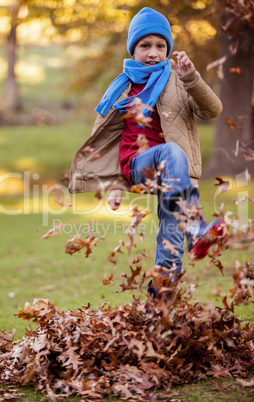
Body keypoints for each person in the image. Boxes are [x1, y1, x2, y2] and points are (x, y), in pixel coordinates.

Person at [69, 7, 224, 296]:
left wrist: (192, 79)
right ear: (134, 49)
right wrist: (115, 183)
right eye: (145, 45)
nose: (153, 52)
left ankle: (159, 308)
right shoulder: (122, 86)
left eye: (160, 46)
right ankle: (195, 225)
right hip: (138, 165)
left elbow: (212, 110)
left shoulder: (179, 81)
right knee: (171, 152)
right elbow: (106, 136)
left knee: (171, 240)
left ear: (168, 49)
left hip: (177, 176)